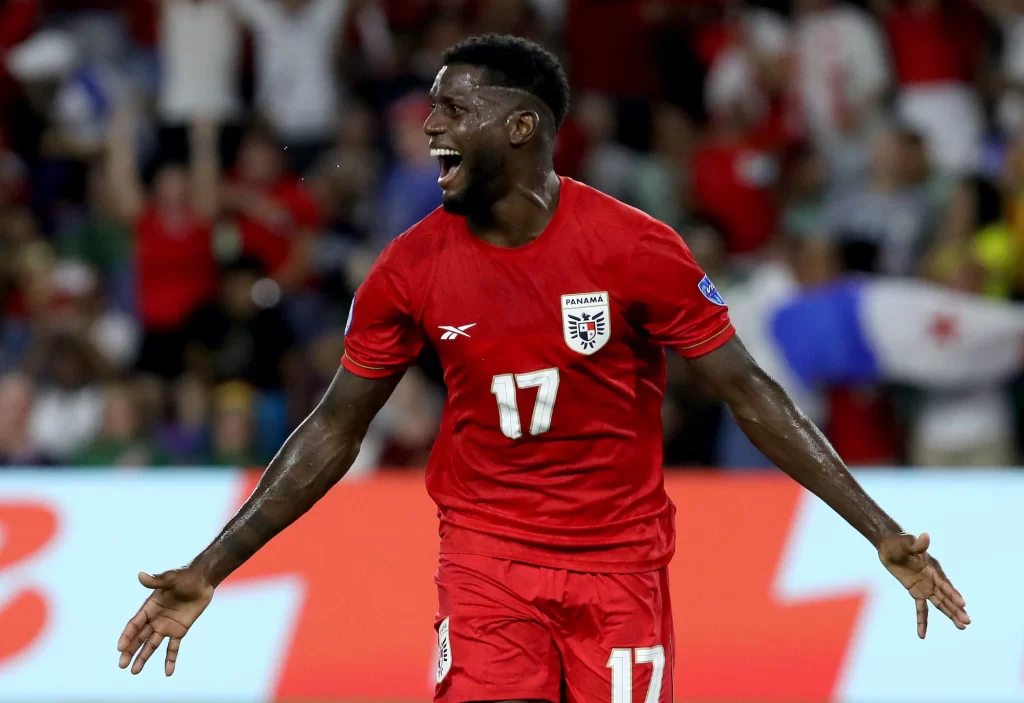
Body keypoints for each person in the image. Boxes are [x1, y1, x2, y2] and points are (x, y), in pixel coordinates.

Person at [116, 35, 970, 701]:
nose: (429, 124)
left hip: (622, 566)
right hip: (486, 559)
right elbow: (335, 427)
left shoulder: (635, 249)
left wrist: (880, 528)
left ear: (521, 127)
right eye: (430, 107)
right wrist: (213, 564)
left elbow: (750, 394)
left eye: (453, 107)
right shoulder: (406, 271)